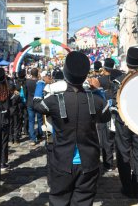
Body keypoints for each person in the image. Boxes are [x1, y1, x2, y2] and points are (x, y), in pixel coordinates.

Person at [33, 51, 110, 206]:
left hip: (62, 161)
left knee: (59, 200)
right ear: (85, 76)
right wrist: (97, 90)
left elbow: (36, 104)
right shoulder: (96, 101)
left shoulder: (54, 101)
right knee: (84, 201)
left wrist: (40, 84)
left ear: (65, 74)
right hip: (88, 162)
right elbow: (106, 116)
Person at [112, 47, 138, 199]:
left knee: (123, 154)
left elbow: (115, 101)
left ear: (127, 62)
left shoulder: (119, 80)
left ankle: (127, 187)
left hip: (123, 121)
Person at [96, 58, 116, 171]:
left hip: (102, 112)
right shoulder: (116, 79)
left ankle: (107, 163)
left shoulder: (99, 80)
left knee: (104, 139)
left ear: (104, 68)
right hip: (114, 111)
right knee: (112, 137)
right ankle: (111, 160)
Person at [26, 67, 43, 145]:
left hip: (30, 102)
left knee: (31, 121)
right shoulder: (40, 82)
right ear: (37, 74)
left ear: (31, 74)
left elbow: (26, 92)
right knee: (39, 120)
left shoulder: (27, 82)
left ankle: (33, 138)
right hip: (38, 102)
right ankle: (40, 134)